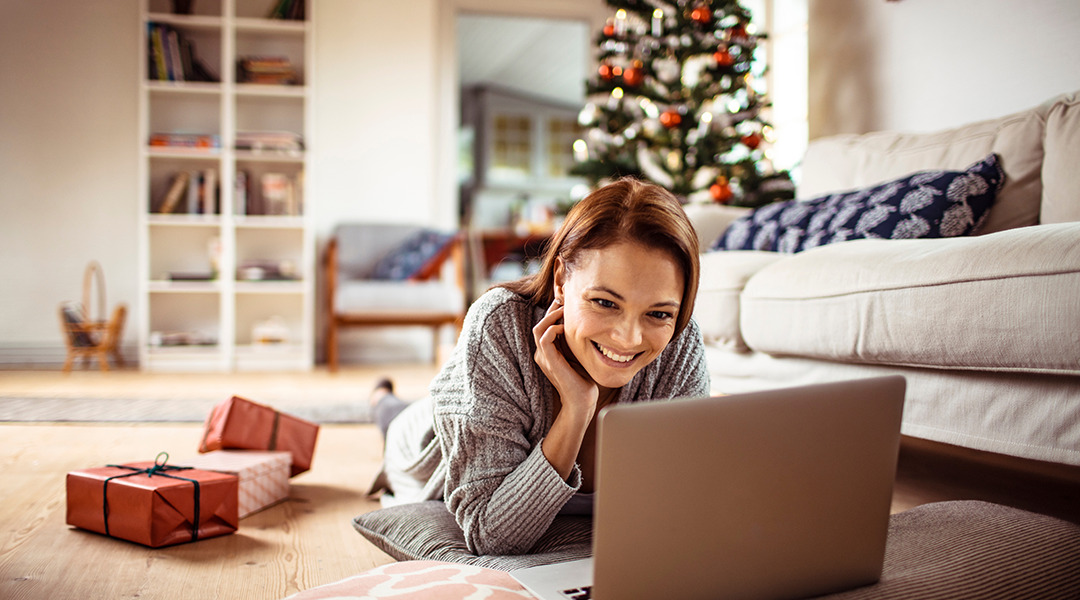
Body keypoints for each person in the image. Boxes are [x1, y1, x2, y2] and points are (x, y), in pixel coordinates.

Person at [370, 177, 710, 555]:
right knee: (396, 418)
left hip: (485, 406)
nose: (629, 339)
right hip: (427, 443)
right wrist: (576, 411)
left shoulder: (680, 341)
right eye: (605, 302)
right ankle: (381, 402)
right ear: (562, 280)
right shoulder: (499, 324)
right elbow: (491, 535)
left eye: (658, 313)